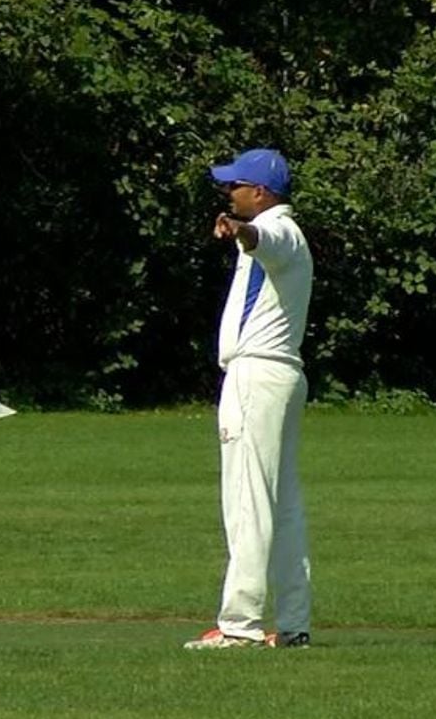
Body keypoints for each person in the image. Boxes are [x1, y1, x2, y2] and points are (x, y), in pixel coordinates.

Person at [183, 147, 314, 650]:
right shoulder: (282, 234)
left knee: (248, 500)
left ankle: (238, 625)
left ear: (260, 192)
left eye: (234, 186)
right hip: (279, 376)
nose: (227, 192)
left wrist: (241, 231)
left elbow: (264, 238)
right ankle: (294, 623)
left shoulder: (278, 228)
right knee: (281, 505)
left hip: (257, 376)